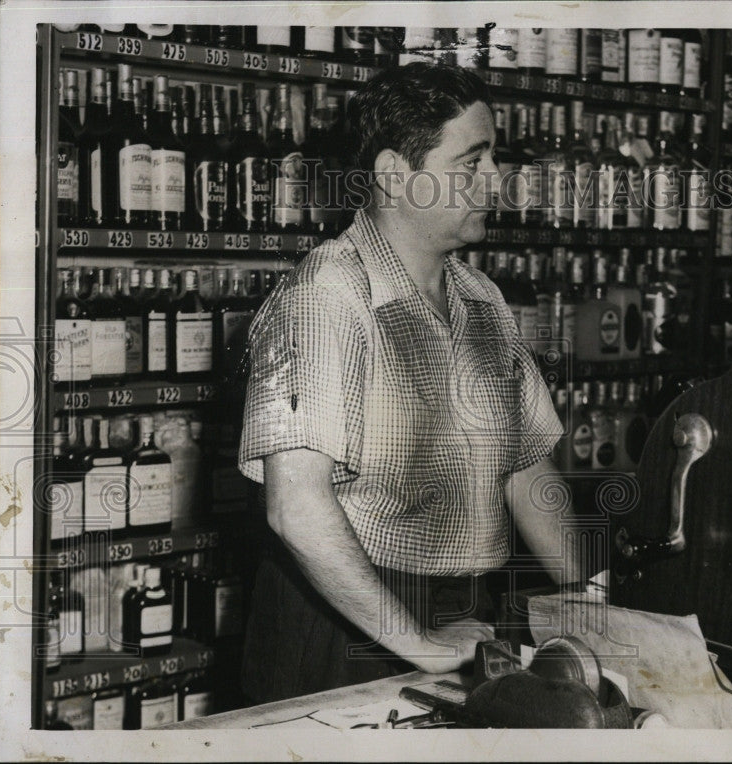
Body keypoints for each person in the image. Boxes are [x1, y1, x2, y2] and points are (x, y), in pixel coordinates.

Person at [237, 62, 586, 705]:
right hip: (344, 619)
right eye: (471, 162)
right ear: (397, 174)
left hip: (462, 616)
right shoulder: (324, 297)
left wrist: (598, 600)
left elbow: (524, 469)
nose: (495, 181)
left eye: (495, 159)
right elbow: (295, 507)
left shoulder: (481, 298)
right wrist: (422, 643)